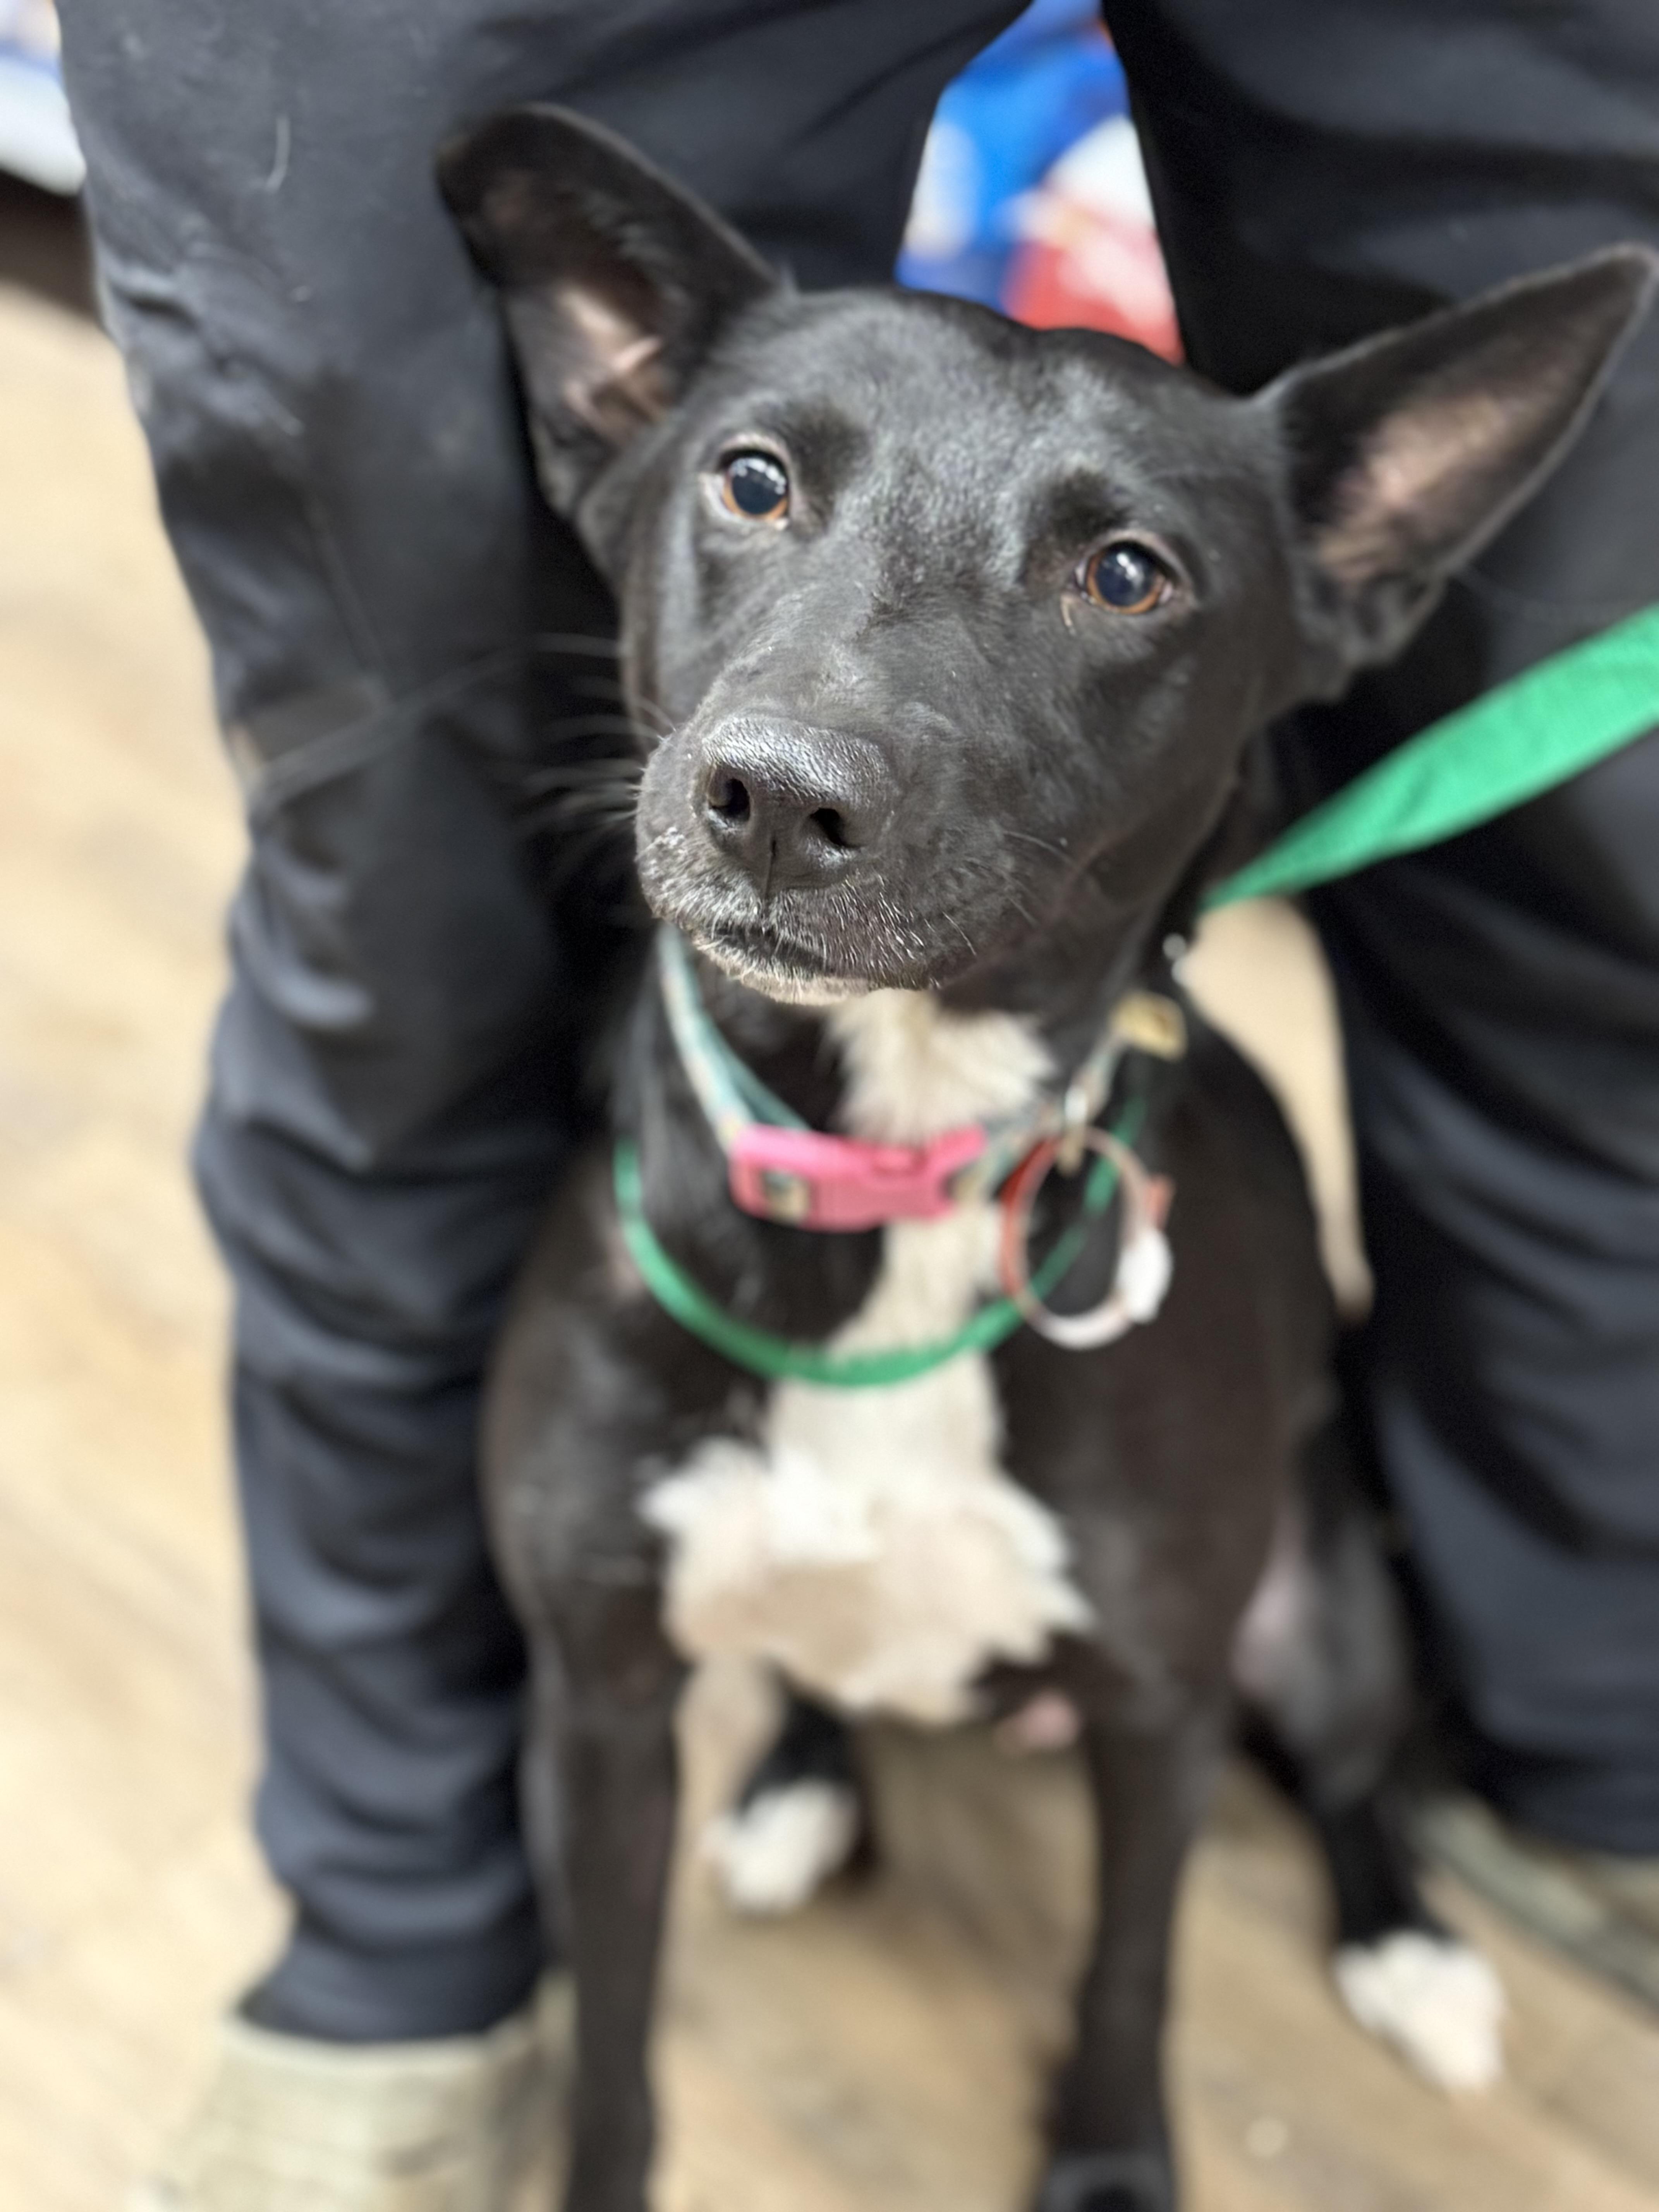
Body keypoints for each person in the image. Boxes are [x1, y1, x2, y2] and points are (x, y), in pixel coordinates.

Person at [57, 3, 1659, 2205]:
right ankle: (404, 1959)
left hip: (1100, 1270)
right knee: (389, 969)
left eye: (1123, 575)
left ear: (1331, 588)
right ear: (625, 417)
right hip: (695, 1233)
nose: (800, 751)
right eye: (753, 480)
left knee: (1599, 934)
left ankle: (1501, 1779)